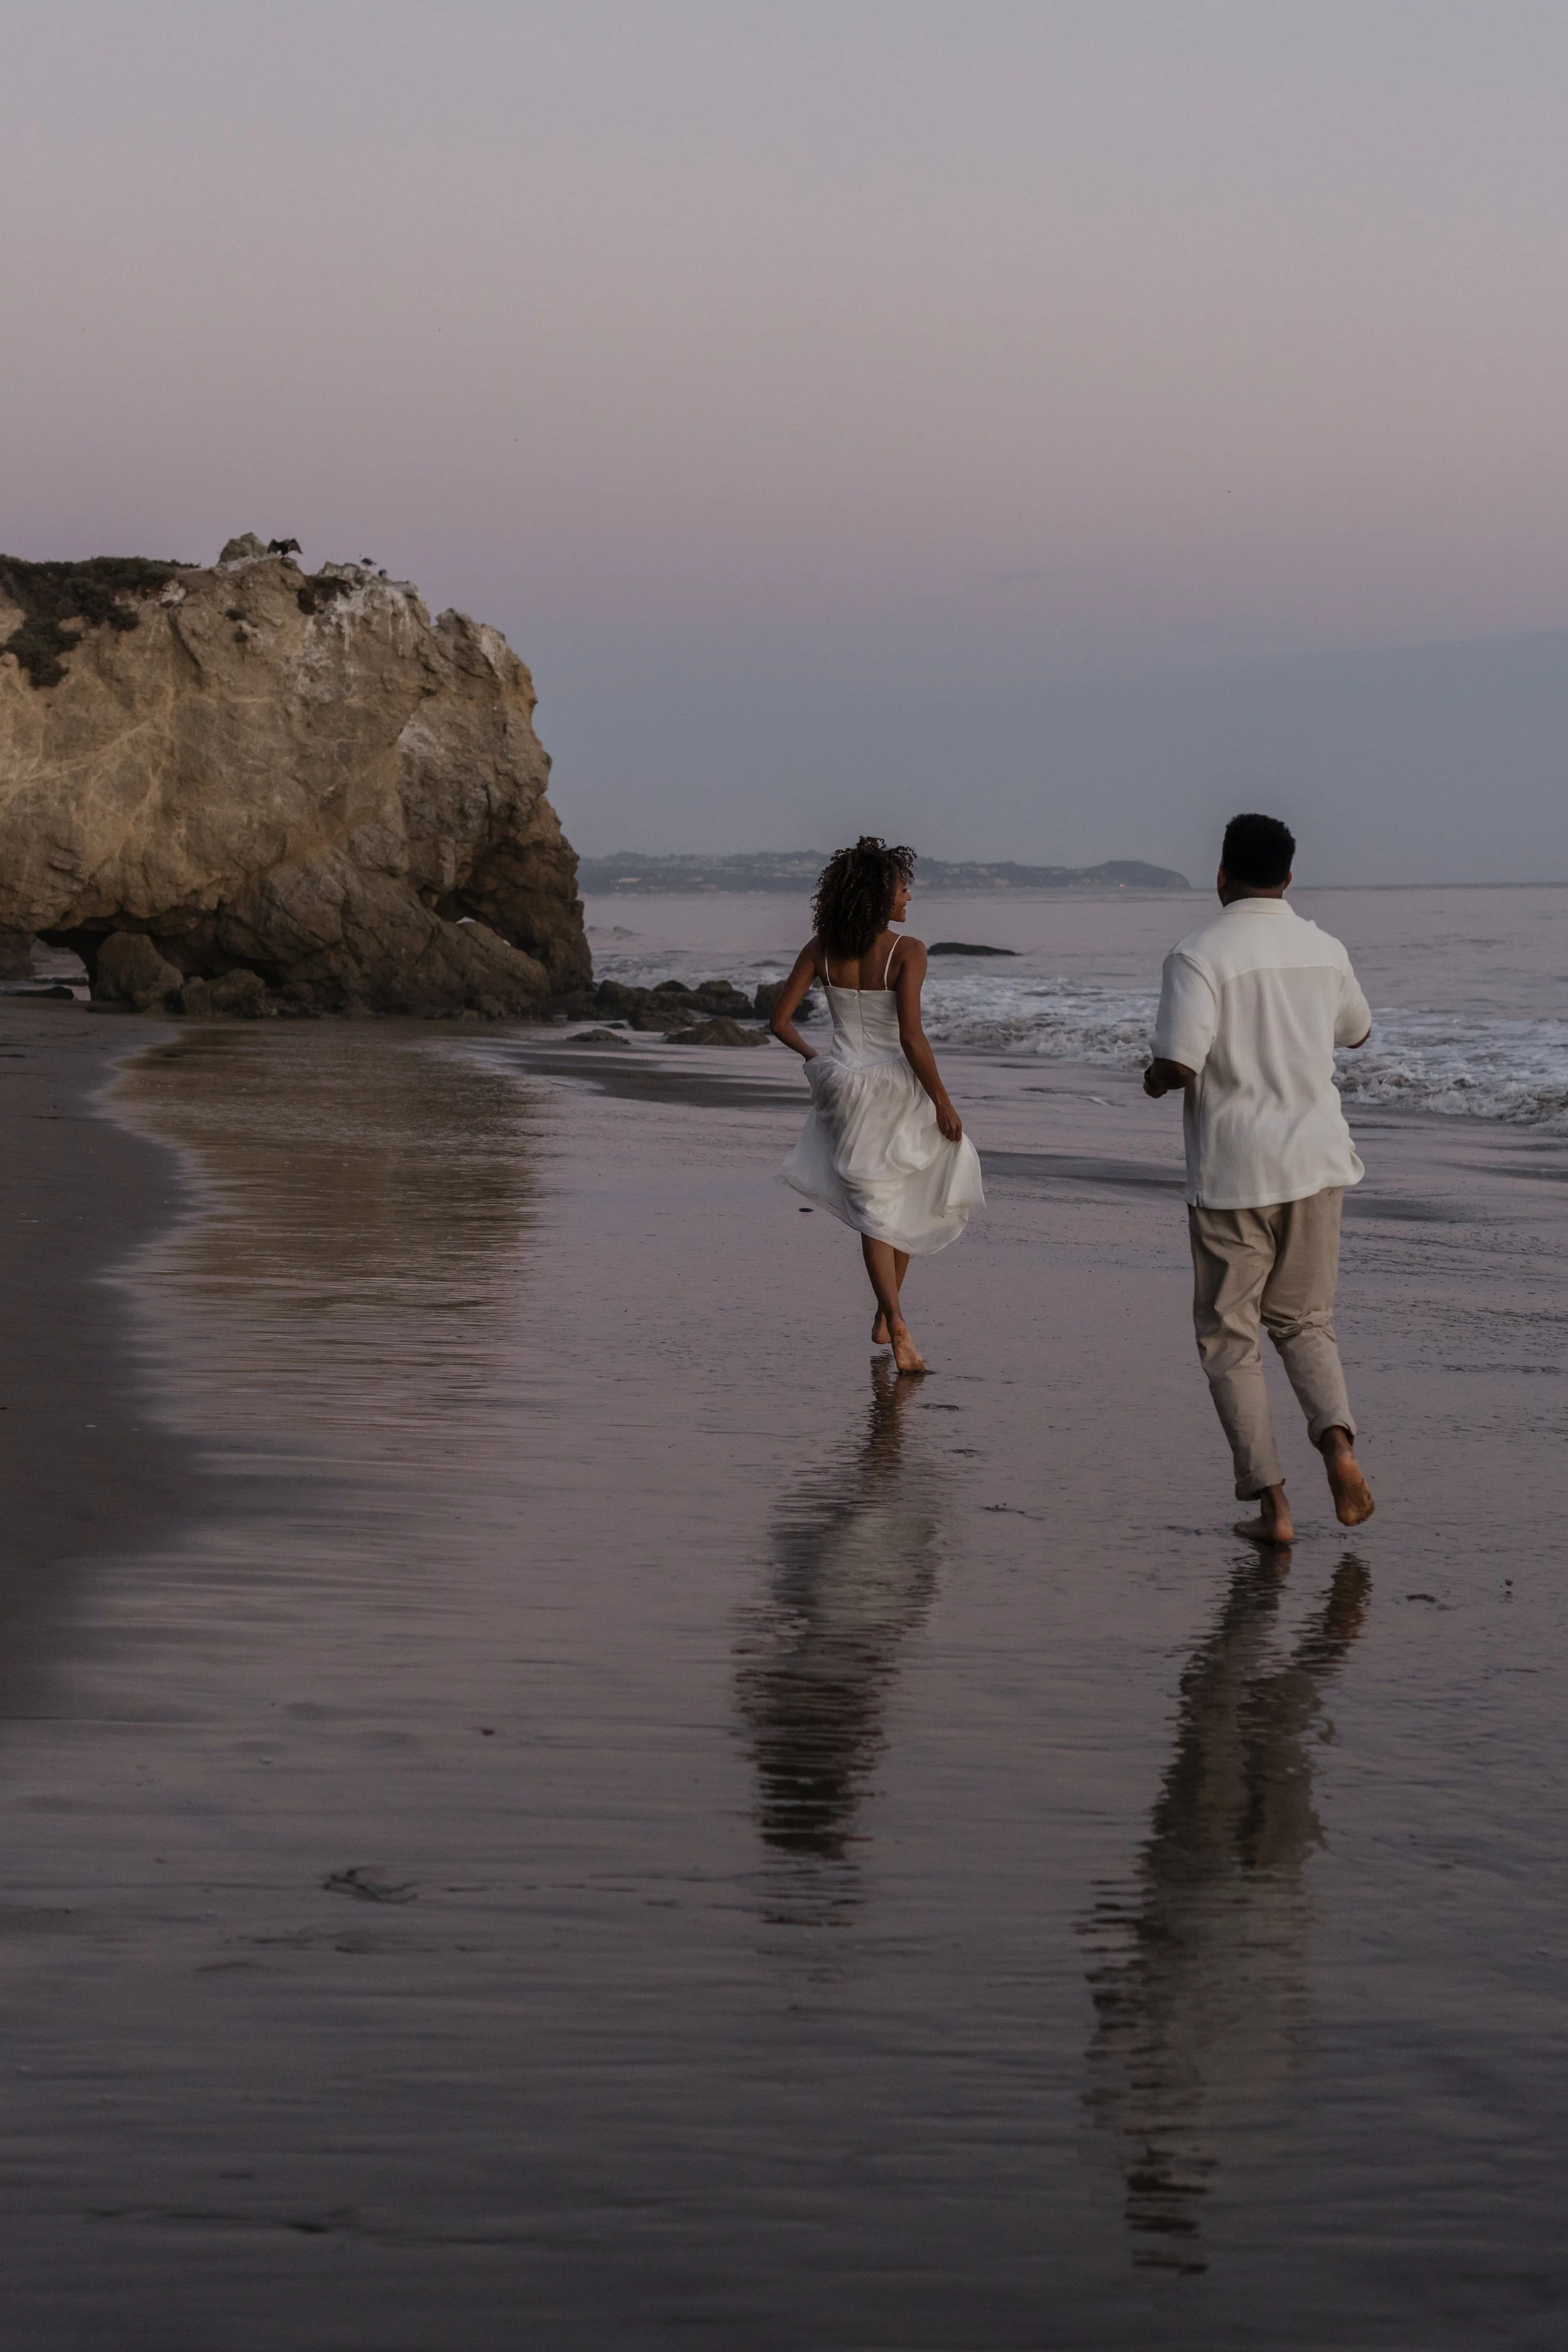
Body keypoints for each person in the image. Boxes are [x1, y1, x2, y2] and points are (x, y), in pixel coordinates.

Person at [1144, 813, 1376, 1542]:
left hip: (1234, 1173)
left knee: (1228, 1337)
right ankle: (1337, 1446)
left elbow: (1180, 1061)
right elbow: (1356, 1031)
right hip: (1315, 1162)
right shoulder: (1323, 946)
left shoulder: (1197, 953)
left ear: (1220, 875)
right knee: (1305, 1322)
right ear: (1287, 878)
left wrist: (1153, 1079)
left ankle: (1274, 1509)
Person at [771, 837, 984, 1374]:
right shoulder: (908, 950)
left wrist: (821, 1061)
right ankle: (897, 1324)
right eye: (901, 887)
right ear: (877, 896)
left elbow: (779, 1023)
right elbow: (912, 1038)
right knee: (899, 1201)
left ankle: (885, 1314)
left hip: (846, 1085)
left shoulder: (820, 948)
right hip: (897, 1085)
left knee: (883, 1206)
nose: (908, 896)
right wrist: (943, 1101)